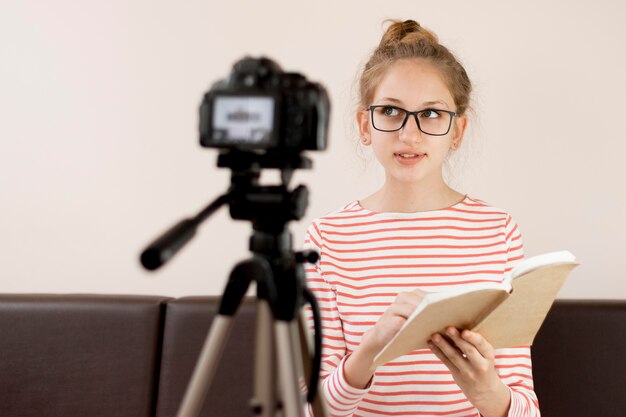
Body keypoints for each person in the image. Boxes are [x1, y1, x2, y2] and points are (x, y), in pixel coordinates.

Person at [304, 20, 539, 417]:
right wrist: (368, 353)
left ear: (457, 130)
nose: (409, 134)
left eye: (430, 113)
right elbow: (307, 410)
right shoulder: (328, 239)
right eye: (391, 110)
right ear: (365, 125)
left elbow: (526, 410)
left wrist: (486, 391)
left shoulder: (497, 232)